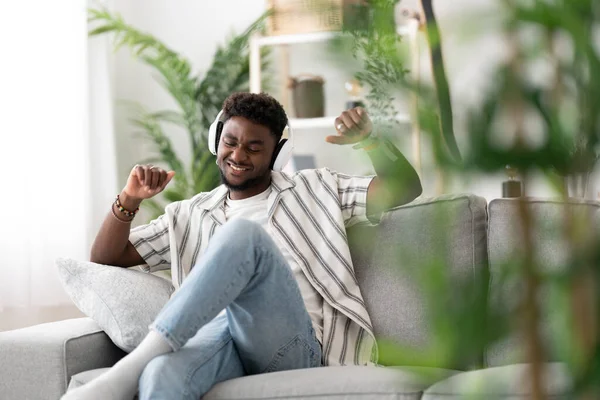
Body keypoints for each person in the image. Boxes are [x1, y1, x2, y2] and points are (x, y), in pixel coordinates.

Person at [62, 92, 422, 400]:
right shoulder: (189, 214)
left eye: (254, 147)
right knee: (161, 376)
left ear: (278, 153)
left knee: (242, 236)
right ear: (216, 141)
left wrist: (371, 139)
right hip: (219, 340)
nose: (237, 155)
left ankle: (133, 366)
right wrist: (129, 198)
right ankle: (146, 366)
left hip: (291, 345)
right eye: (230, 142)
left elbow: (405, 187)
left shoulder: (317, 188)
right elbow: (105, 258)